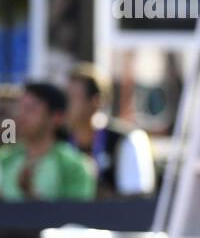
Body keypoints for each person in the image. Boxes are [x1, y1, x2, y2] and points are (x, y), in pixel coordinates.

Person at [0, 83, 95, 202]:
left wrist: (31, 197)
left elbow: (75, 215)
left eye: (31, 109)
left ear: (56, 117)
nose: (21, 116)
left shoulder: (75, 166)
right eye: (20, 109)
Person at [65, 63, 156, 198]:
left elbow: (137, 199)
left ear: (96, 101)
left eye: (72, 98)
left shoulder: (128, 139)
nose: (66, 105)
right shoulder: (60, 140)